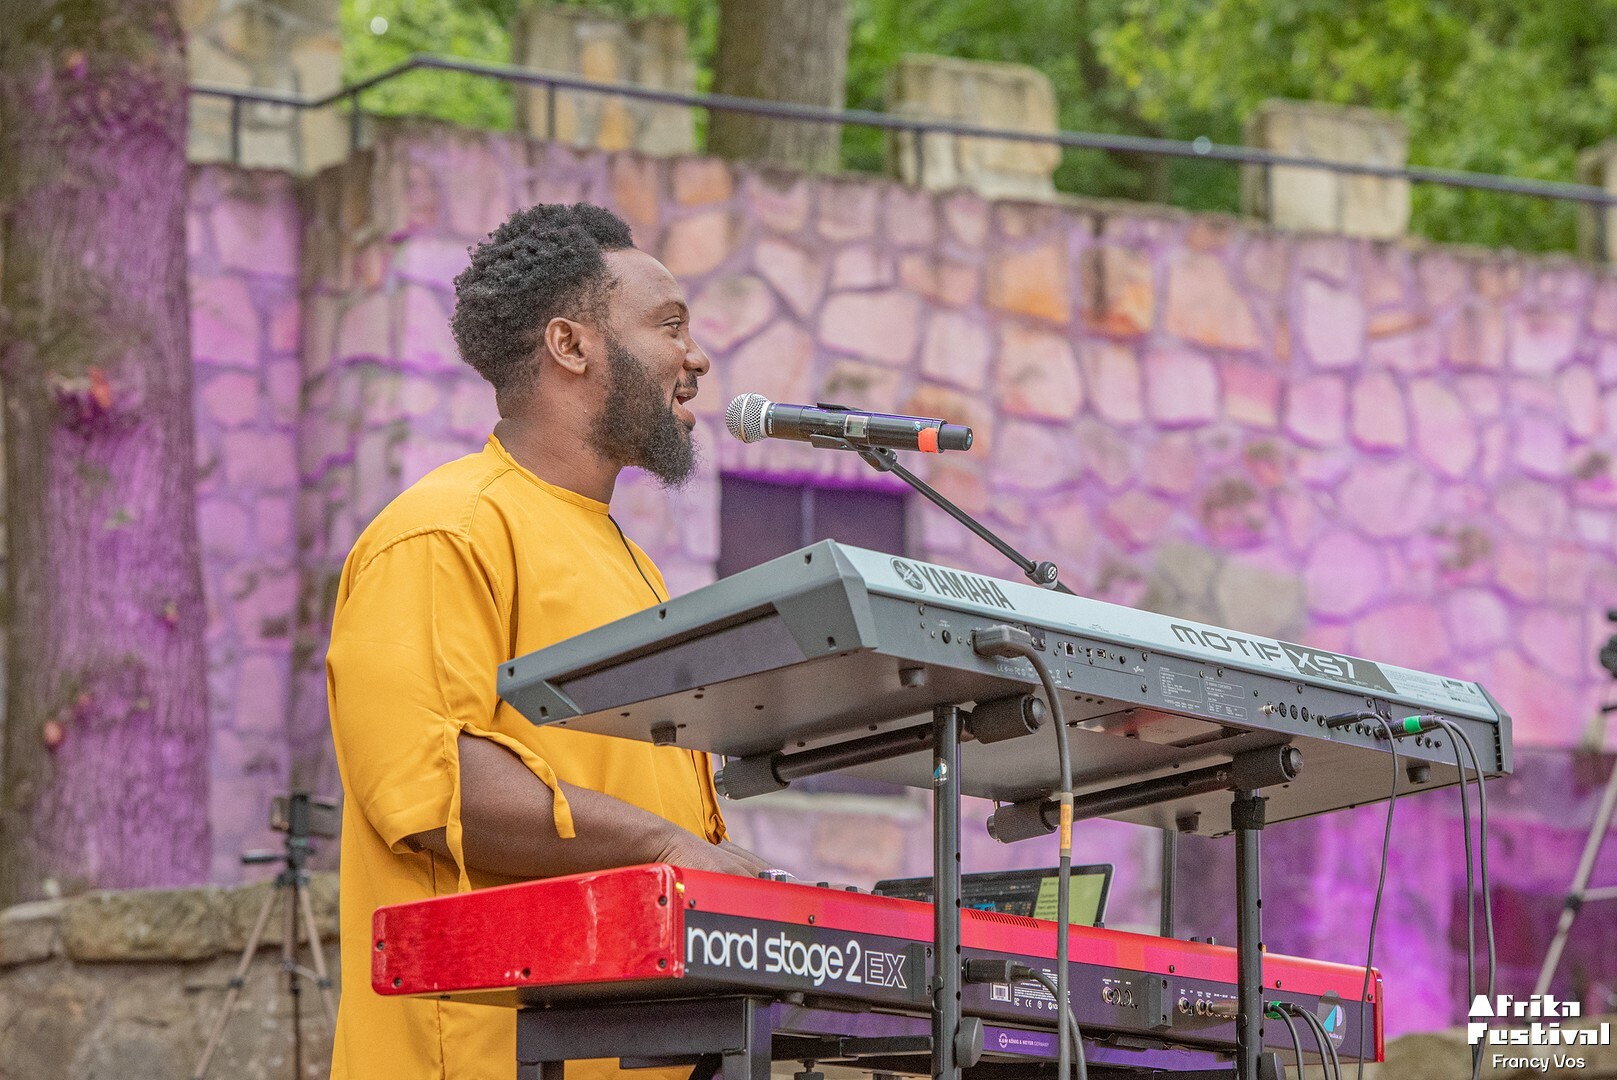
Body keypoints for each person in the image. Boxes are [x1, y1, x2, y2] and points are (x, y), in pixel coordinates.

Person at [325, 203, 776, 1080]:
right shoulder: (443, 529)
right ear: (570, 345)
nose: (695, 358)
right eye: (669, 326)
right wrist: (663, 848)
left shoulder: (627, 560)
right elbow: (435, 787)